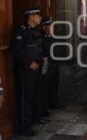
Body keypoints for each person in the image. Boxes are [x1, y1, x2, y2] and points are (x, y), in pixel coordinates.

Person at [12, 8, 43, 136]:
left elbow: (38, 48)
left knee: (35, 95)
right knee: (26, 97)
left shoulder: (36, 30)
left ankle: (33, 119)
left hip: (36, 67)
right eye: (37, 15)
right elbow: (17, 51)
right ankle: (24, 126)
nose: (40, 17)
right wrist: (29, 63)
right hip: (26, 69)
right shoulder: (21, 31)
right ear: (30, 16)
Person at [41, 17, 65, 111]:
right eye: (50, 26)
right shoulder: (41, 38)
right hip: (47, 65)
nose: (52, 28)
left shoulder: (54, 38)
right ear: (44, 27)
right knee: (45, 86)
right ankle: (45, 107)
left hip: (55, 64)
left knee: (55, 84)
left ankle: (54, 102)